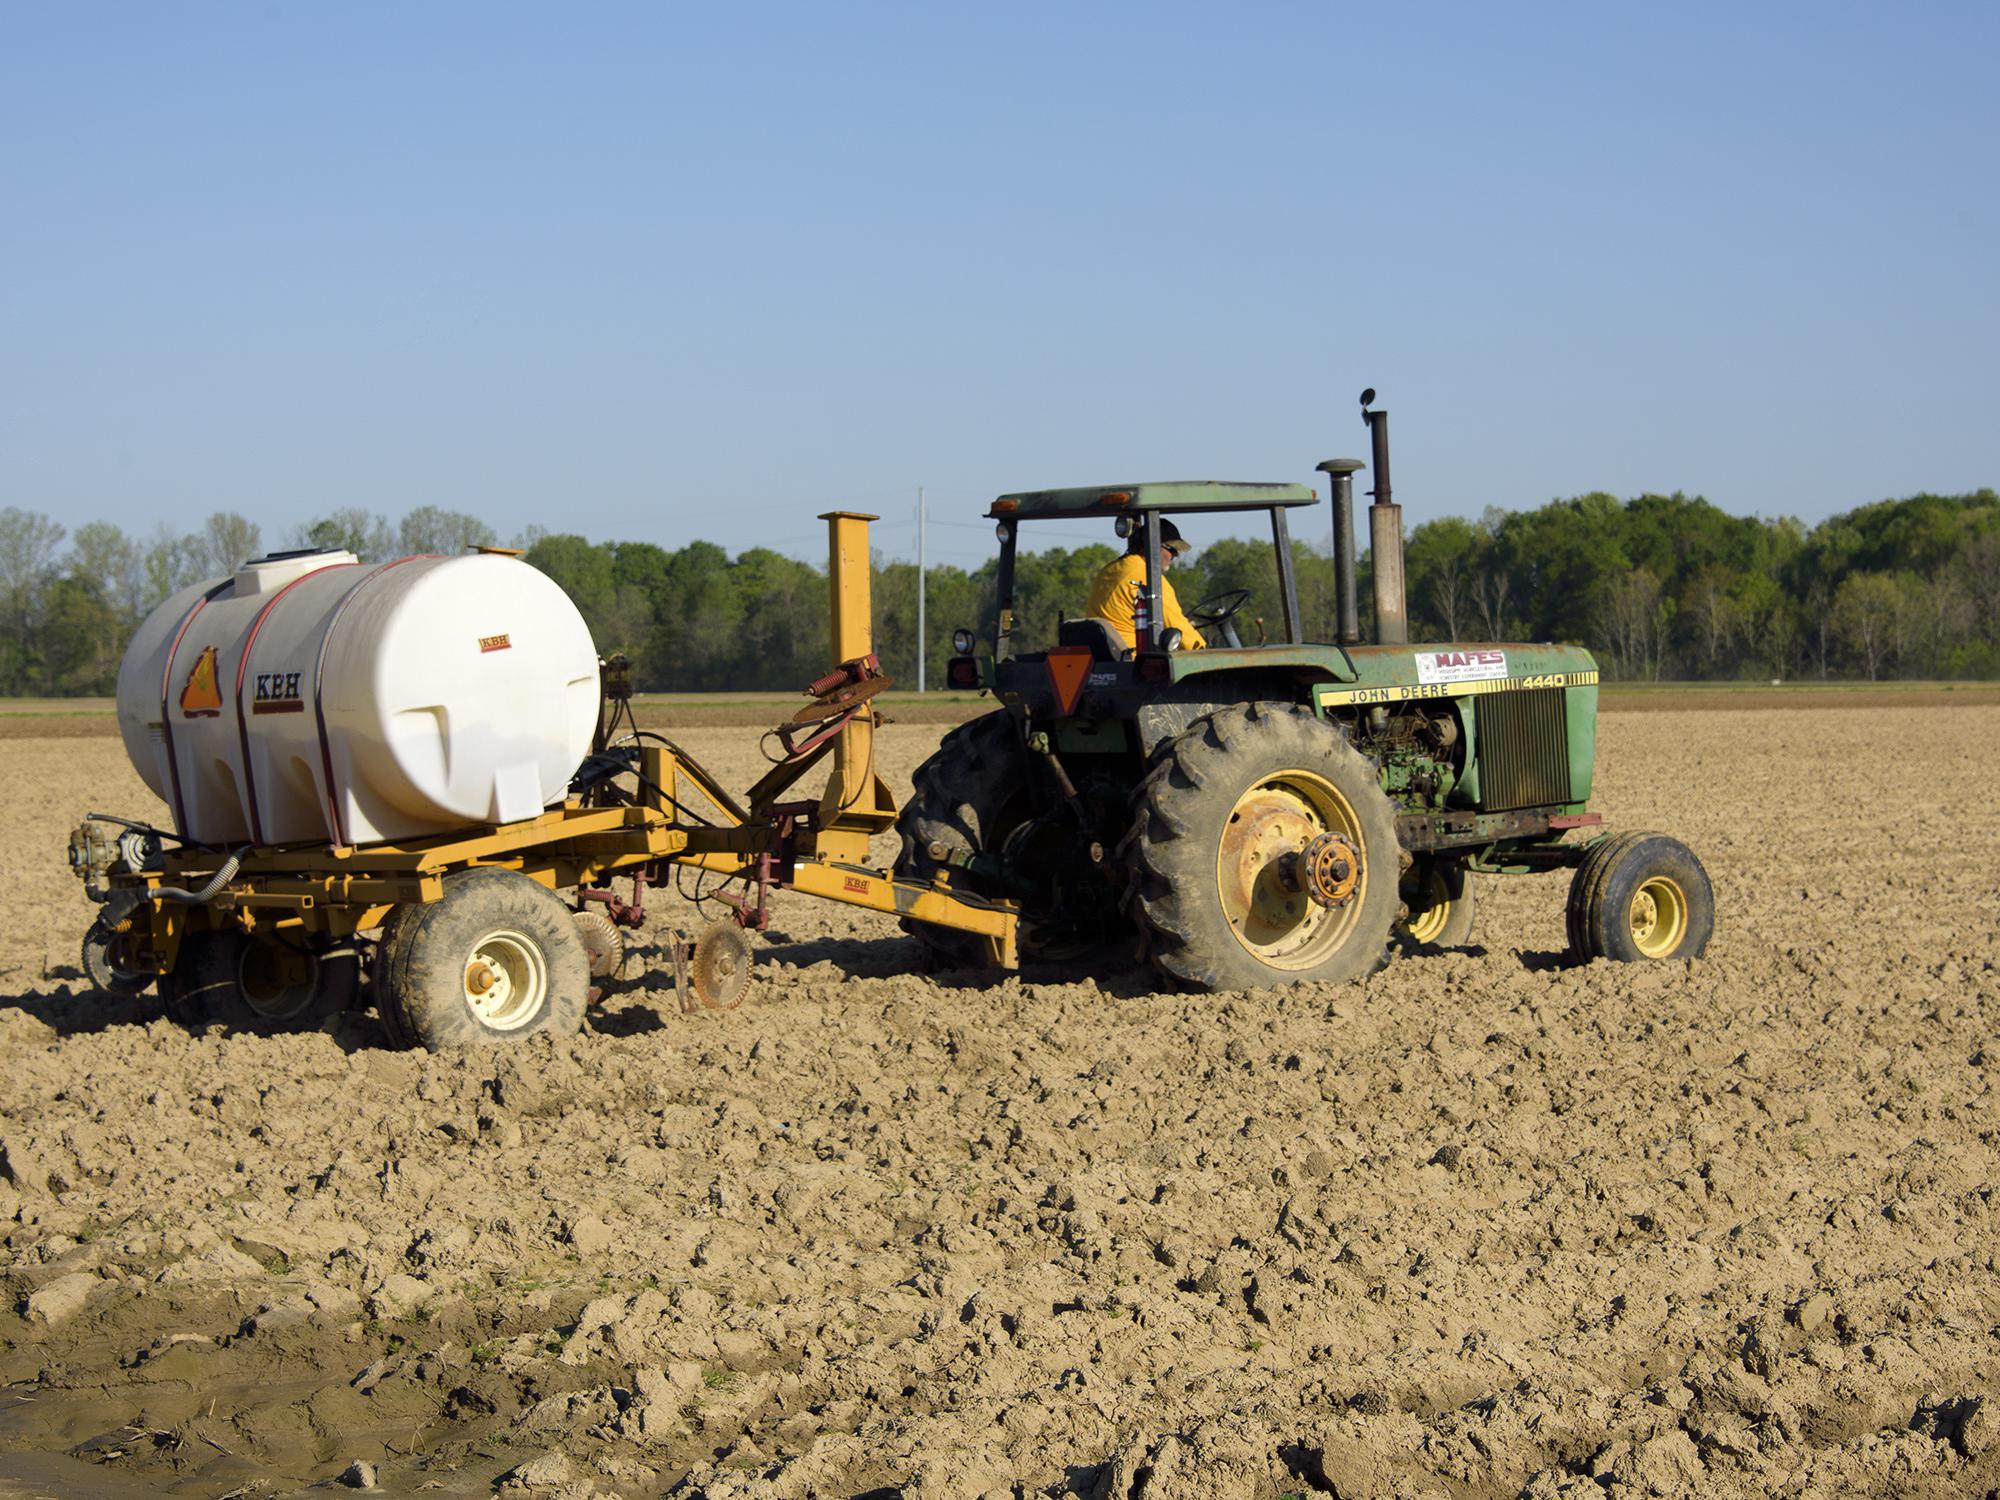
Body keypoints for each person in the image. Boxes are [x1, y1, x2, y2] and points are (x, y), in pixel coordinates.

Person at [1084, 518, 1207, 651]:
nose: (1175, 555)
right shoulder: (1150, 579)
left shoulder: (1109, 569)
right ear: (1152, 545)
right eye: (1172, 549)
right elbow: (1177, 626)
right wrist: (1203, 651)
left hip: (1101, 655)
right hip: (1133, 658)